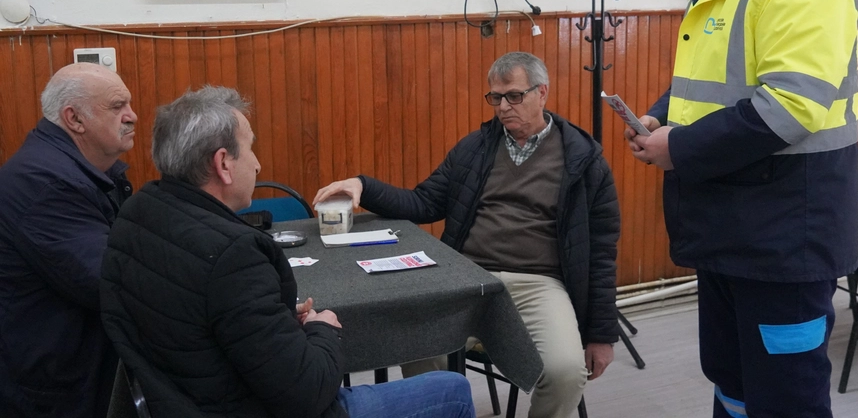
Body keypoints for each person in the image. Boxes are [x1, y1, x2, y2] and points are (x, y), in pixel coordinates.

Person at [626, 0, 858, 418]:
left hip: (783, 244)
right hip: (729, 233)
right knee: (730, 385)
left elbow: (790, 105)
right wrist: (663, 114)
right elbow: (720, 84)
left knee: (786, 400)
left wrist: (679, 146)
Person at [99, 86, 475, 418]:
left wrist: (272, 317)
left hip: (179, 399)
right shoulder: (234, 255)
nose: (258, 163)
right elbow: (308, 394)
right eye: (251, 149)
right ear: (223, 164)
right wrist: (322, 329)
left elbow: (206, 319)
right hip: (243, 406)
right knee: (452, 389)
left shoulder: (136, 214)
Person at [315, 51, 621, 418]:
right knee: (415, 346)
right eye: (496, 97)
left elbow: (601, 252)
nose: (503, 107)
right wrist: (364, 186)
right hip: (467, 278)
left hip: (540, 284)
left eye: (514, 96)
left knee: (566, 373)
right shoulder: (475, 149)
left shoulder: (583, 159)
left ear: (542, 93)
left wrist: (602, 334)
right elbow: (424, 203)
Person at [0, 62, 137, 418]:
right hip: (51, 388)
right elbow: (112, 282)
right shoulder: (47, 185)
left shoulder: (77, 171)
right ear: (74, 119)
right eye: (117, 106)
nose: (132, 116)